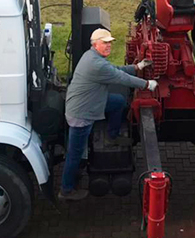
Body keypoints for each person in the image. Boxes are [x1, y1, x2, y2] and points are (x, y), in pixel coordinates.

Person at [59, 28, 157, 201]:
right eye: (105, 43)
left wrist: (137, 67)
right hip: (82, 113)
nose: (109, 46)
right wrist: (147, 84)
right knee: (75, 153)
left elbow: (115, 69)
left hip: (93, 100)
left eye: (110, 42)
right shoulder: (97, 65)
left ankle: (112, 135)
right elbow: (121, 78)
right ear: (95, 44)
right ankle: (67, 189)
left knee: (118, 102)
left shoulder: (91, 56)